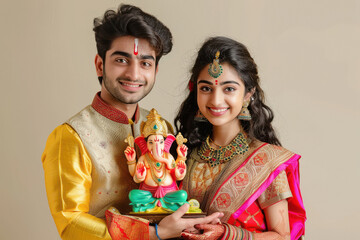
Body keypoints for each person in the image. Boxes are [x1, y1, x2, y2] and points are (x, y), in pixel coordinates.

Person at [41, 5, 222, 240]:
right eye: (121, 60)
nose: (134, 74)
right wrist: (154, 233)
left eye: (145, 63)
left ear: (155, 70)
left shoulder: (161, 126)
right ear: (99, 64)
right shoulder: (71, 135)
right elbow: (71, 223)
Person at [175, 36, 306, 240]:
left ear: (248, 93)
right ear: (195, 91)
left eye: (229, 89)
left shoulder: (267, 162)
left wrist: (227, 234)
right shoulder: (181, 153)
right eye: (206, 88)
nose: (216, 100)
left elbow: (282, 236)